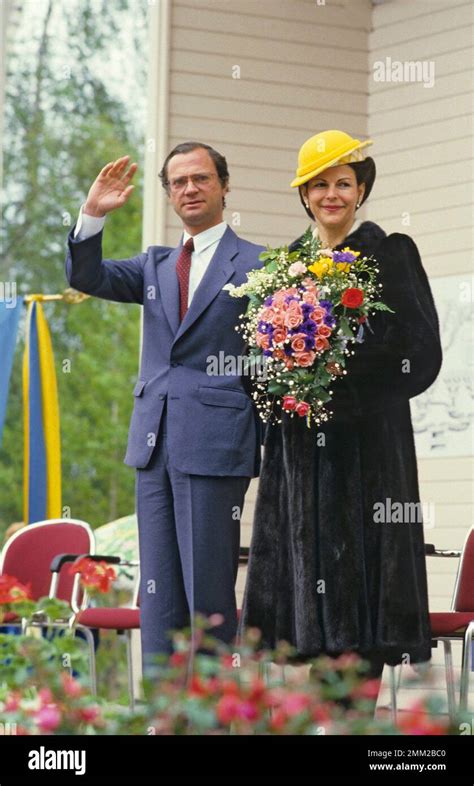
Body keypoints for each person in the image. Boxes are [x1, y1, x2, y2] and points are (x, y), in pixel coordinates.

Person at [239, 130, 442, 698]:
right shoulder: (282, 268)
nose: (332, 194)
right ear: (304, 195)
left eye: (344, 183)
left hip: (368, 455)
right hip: (299, 461)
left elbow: (421, 354)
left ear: (362, 190)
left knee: (361, 620)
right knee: (304, 620)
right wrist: (277, 379)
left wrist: (336, 385)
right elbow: (252, 359)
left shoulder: (390, 251)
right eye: (320, 184)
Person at [65, 142, 263, 677]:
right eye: (178, 182)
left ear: (224, 185)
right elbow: (86, 278)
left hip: (216, 444)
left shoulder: (260, 264)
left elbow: (273, 361)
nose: (190, 189)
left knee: (207, 594)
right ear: (169, 192)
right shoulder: (154, 264)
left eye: (201, 178)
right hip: (152, 444)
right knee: (158, 599)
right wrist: (92, 216)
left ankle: (213, 719)